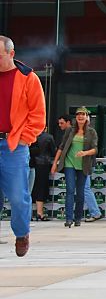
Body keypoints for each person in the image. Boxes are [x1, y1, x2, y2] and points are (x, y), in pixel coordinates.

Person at [0, 35, 46, 257]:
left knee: (18, 196)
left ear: (11, 54)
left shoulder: (28, 78)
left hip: (13, 145)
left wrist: (24, 138)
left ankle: (21, 233)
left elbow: (38, 115)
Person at [52, 108, 98, 229]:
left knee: (81, 191)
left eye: (83, 114)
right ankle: (68, 218)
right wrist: (55, 163)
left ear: (86, 117)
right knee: (70, 190)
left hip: (83, 164)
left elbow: (95, 149)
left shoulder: (91, 132)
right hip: (69, 163)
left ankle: (78, 217)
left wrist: (85, 153)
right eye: (78, 115)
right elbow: (61, 147)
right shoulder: (70, 131)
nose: (80, 117)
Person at [29, 128, 56, 221]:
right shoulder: (48, 137)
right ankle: (39, 213)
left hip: (31, 164)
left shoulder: (30, 135)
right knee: (41, 187)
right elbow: (53, 151)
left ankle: (28, 214)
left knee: (31, 188)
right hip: (44, 164)